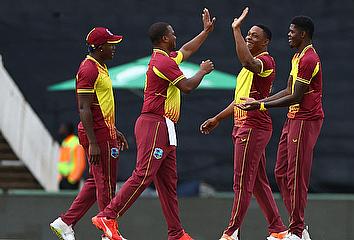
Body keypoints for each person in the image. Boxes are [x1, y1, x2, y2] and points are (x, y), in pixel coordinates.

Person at [91, 8, 216, 240]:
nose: (176, 37)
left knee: (169, 184)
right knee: (144, 173)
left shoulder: (166, 58)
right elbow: (187, 87)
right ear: (165, 38)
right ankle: (108, 216)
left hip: (165, 126)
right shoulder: (163, 62)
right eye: (173, 34)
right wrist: (202, 71)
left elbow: (187, 49)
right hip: (155, 123)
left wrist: (206, 32)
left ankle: (176, 233)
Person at [200, 7, 287, 240]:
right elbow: (239, 100)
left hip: (253, 127)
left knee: (241, 181)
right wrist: (218, 118)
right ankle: (278, 230)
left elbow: (248, 61)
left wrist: (236, 30)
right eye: (247, 34)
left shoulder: (265, 61)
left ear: (266, 42)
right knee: (257, 182)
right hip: (244, 126)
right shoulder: (248, 67)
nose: (249, 37)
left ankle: (231, 233)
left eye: (254, 36)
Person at [237, 15, 324, 240]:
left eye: (292, 31)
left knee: (296, 175)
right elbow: (287, 90)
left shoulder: (309, 59)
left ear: (303, 34)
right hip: (293, 118)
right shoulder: (298, 56)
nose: (288, 34)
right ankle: (300, 228)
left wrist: (261, 104)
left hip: (305, 120)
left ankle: (295, 231)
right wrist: (260, 103)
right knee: (281, 173)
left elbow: (296, 96)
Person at [50, 27, 129, 240]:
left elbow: (99, 105)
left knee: (96, 181)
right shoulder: (89, 69)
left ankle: (66, 222)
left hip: (104, 130)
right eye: (111, 45)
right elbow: (83, 107)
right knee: (106, 182)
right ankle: (108, 232)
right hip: (97, 134)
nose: (114, 48)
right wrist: (94, 142)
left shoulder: (99, 66)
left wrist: (114, 130)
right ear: (100, 47)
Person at [57, 123, 86, 190]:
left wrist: (72, 179)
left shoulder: (76, 142)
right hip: (63, 179)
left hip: (71, 181)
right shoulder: (65, 142)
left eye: (63, 128)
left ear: (68, 130)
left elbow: (81, 163)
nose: (60, 130)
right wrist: (60, 178)